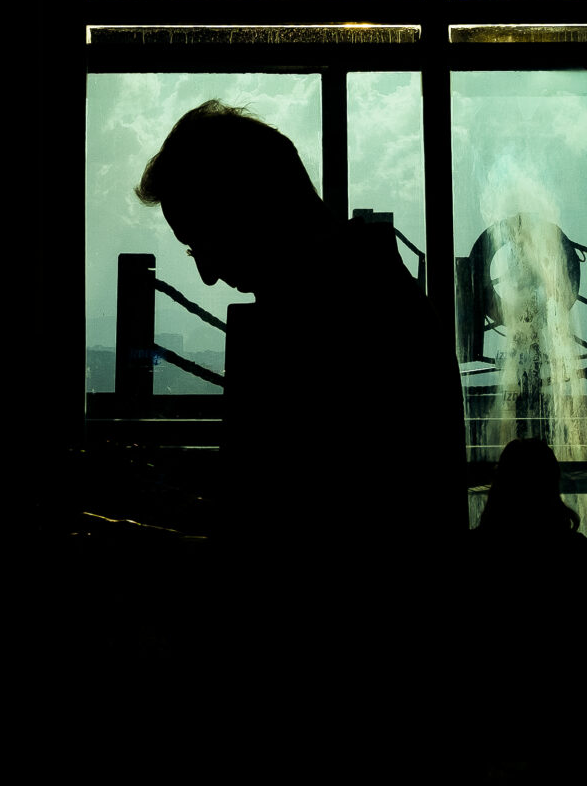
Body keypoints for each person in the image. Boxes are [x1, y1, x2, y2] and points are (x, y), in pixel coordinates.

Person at [132, 99, 462, 775]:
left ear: (246, 208)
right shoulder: (372, 298)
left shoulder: (315, 322)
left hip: (326, 711)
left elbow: (286, 549)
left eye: (204, 243)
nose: (207, 274)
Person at [463, 439, 587, 784]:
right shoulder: (572, 549)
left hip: (497, 704)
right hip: (570, 703)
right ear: (552, 483)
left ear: (500, 484)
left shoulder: (475, 550)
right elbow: (579, 635)